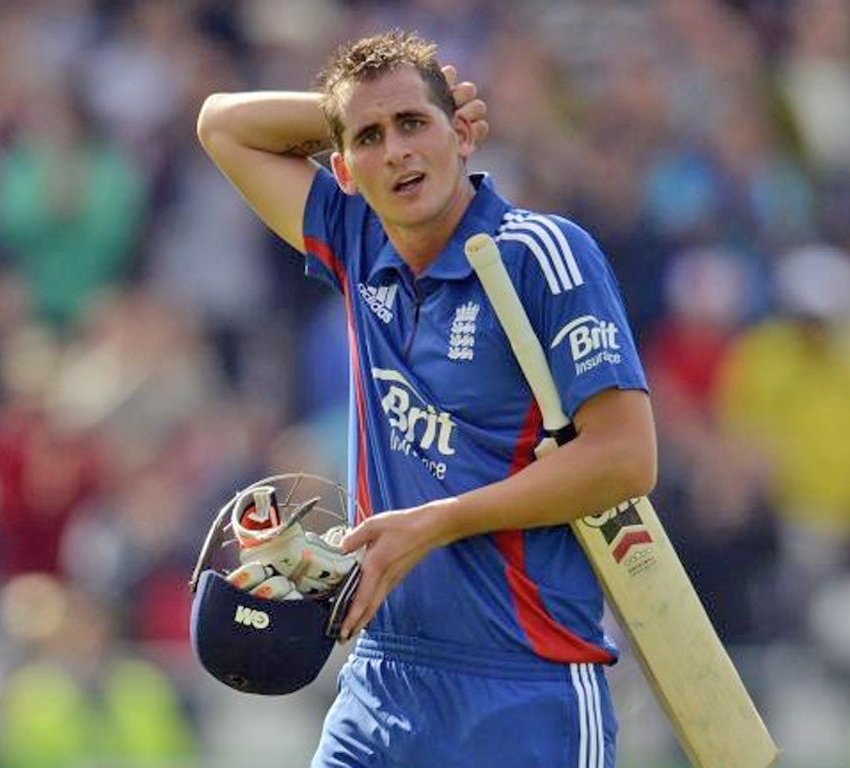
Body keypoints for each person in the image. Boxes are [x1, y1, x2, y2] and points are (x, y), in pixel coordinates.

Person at [197, 29, 657, 768]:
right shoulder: (355, 237)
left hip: (526, 689)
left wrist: (434, 524)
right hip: (382, 681)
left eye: (415, 123)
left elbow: (626, 458)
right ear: (343, 168)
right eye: (371, 138)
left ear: (464, 133)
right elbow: (222, 125)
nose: (398, 151)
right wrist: (356, 107)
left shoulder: (541, 252)